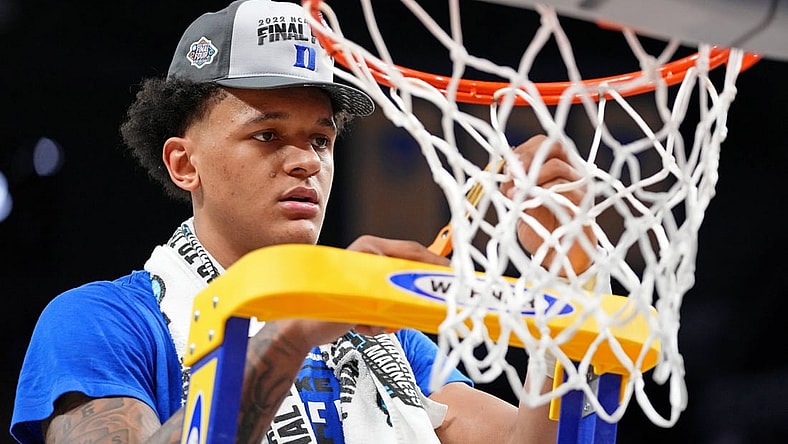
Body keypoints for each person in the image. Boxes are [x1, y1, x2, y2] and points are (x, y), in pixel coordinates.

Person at [11, 1, 595, 443]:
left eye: (321, 139)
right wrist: (295, 328)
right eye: (267, 135)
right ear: (184, 163)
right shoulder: (103, 321)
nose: (305, 161)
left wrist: (573, 285)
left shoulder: (391, 342)